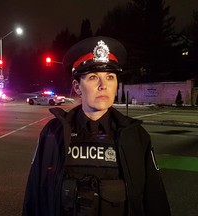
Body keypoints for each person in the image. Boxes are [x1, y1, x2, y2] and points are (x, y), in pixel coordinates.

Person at [22, 36, 171, 216]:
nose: (103, 86)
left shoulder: (136, 137)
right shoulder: (54, 133)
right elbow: (35, 198)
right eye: (93, 77)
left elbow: (155, 202)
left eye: (110, 77)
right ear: (77, 87)